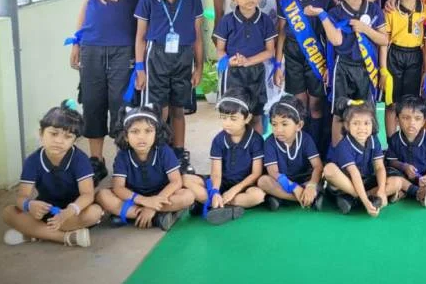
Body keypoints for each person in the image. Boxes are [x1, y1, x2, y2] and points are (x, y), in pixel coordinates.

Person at [67, 0, 152, 185]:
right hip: (91, 45)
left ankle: (123, 162)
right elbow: (87, 3)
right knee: (92, 103)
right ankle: (96, 160)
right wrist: (77, 39)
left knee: (121, 104)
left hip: (124, 48)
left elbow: (149, 7)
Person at [134, 0, 204, 174]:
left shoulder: (193, 0)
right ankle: (158, 154)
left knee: (178, 109)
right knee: (158, 110)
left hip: (184, 57)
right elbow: (140, 37)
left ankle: (179, 154)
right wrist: (140, 69)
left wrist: (198, 67)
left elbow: (197, 37)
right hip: (156, 57)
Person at [2, 101, 103, 247]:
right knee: (8, 212)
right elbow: (22, 196)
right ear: (41, 133)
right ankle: (65, 237)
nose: (59, 141)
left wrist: (67, 212)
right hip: (45, 211)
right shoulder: (32, 161)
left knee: (94, 212)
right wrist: (29, 205)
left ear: (75, 140)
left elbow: (87, 195)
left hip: (73, 212)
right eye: (53, 134)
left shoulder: (80, 159)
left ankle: (34, 233)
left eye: (68, 136)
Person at [96, 104, 195, 230]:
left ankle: (133, 214)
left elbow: (176, 182)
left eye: (148, 131)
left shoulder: (164, 151)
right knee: (102, 195)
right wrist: (144, 201)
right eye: (135, 131)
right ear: (126, 136)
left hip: (162, 195)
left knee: (187, 196)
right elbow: (118, 187)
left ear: (156, 133)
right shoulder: (123, 155)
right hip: (134, 197)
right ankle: (157, 217)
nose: (141, 137)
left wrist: (152, 205)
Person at [276, 0, 336, 149]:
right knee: (299, 105)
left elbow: (331, 37)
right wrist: (278, 65)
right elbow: (281, 33)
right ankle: (302, 148)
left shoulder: (326, 0)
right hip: (292, 55)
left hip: (318, 58)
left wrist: (329, 66)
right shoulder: (287, 1)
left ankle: (317, 148)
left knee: (316, 105)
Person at [324, 0, 388, 146]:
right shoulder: (335, 12)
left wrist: (365, 29)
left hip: (367, 68)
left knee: (368, 112)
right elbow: (334, 42)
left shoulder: (374, 9)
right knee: (339, 113)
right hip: (342, 66)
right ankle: (338, 154)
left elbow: (384, 40)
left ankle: (369, 153)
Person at [184, 89, 265, 225]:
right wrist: (215, 191)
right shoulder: (218, 140)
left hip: (243, 187)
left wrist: (234, 191)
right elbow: (216, 173)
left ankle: (213, 204)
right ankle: (222, 204)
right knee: (185, 179)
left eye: (233, 119)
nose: (227, 123)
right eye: (223, 117)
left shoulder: (256, 140)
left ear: (247, 118)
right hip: (221, 183)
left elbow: (256, 174)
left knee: (258, 196)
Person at [214, 0, 277, 132]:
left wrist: (248, 61)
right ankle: (234, 146)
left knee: (256, 116)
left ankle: (256, 147)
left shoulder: (266, 21)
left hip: (257, 73)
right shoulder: (226, 21)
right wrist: (228, 61)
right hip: (232, 73)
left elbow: (270, 51)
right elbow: (220, 50)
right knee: (233, 115)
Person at [323, 101, 404, 216]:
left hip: (366, 181)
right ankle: (363, 199)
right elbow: (354, 173)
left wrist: (381, 191)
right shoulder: (344, 146)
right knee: (329, 169)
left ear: (373, 124)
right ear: (347, 125)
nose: (362, 128)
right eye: (356, 123)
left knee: (397, 182)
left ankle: (352, 201)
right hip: (346, 184)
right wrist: (366, 201)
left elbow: (379, 167)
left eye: (366, 123)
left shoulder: (373, 140)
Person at [380, 0, 426, 136]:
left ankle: (408, 141)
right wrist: (383, 69)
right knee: (391, 104)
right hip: (393, 56)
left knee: (410, 104)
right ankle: (391, 143)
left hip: (416, 58)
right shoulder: (390, 10)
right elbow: (384, 41)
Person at [257, 98, 323, 211]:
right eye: (274, 124)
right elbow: (273, 172)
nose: (278, 130)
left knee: (318, 181)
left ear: (299, 125)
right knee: (263, 181)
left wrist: (311, 185)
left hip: (304, 181)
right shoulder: (269, 142)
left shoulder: (306, 139)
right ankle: (307, 199)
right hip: (283, 182)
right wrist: (293, 187)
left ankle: (282, 198)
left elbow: (318, 166)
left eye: (284, 124)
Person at [385, 96, 426, 207]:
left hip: (424, 177)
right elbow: (392, 161)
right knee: (387, 172)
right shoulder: (395, 139)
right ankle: (417, 192)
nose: (412, 123)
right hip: (404, 176)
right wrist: (404, 167)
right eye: (406, 118)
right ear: (397, 120)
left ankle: (405, 191)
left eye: (417, 118)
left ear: (423, 121)